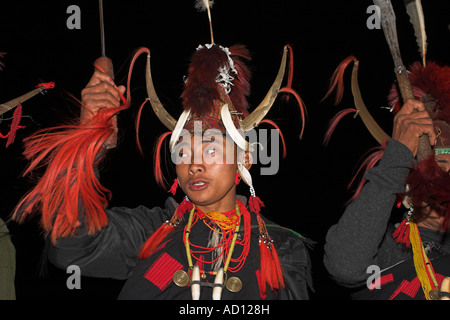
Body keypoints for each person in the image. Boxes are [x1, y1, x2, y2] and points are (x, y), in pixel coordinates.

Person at [12, 38, 312, 299]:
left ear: (243, 159)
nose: (194, 165)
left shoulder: (282, 247)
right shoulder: (152, 232)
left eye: (210, 149)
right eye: (183, 152)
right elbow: (70, 246)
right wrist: (90, 140)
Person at [324, 61, 450, 300]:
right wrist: (399, 153)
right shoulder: (383, 250)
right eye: (438, 168)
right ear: (408, 190)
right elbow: (345, 265)